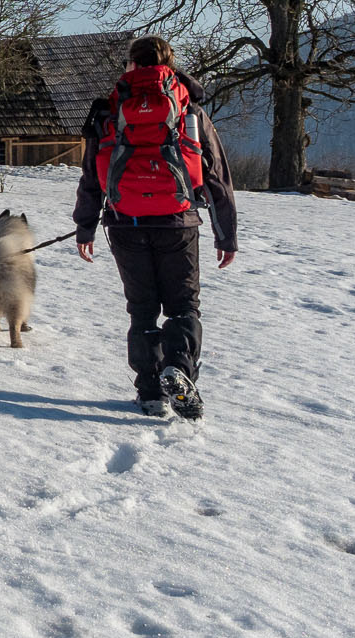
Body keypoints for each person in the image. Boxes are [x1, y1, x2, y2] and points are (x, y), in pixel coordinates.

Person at [74, 35, 237, 419]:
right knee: (183, 305)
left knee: (142, 310)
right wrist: (225, 234)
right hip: (177, 223)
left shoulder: (108, 109)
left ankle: (150, 392)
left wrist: (85, 227)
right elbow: (217, 175)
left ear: (131, 64)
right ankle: (178, 369)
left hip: (126, 223)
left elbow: (90, 177)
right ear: (169, 62)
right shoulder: (189, 109)